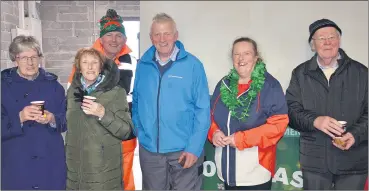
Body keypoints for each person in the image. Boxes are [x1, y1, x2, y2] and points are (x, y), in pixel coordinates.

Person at [285, 18, 368, 190]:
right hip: (315, 162)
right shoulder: (300, 74)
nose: (328, 42)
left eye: (332, 37)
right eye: (321, 38)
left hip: (353, 160)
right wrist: (315, 121)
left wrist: (355, 134)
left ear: (339, 41)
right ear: (313, 45)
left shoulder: (361, 72)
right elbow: (291, 111)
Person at [132, 13, 210, 190]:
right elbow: (136, 102)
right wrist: (140, 130)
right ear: (151, 38)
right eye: (157, 34)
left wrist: (194, 148)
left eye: (167, 33)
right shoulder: (143, 66)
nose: (162, 39)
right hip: (150, 153)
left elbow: (202, 110)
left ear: (176, 35)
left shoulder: (193, 65)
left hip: (183, 151)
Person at [66, 9, 137, 190]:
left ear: (125, 39)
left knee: (124, 182)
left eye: (119, 35)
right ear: (101, 39)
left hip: (123, 133)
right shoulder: (86, 61)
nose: (114, 40)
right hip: (91, 140)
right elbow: (71, 105)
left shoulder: (135, 62)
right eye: (109, 35)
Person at [207, 37, 289, 190]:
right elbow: (210, 116)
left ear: (256, 57)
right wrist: (214, 133)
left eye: (246, 53)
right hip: (225, 170)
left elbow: (278, 126)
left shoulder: (270, 86)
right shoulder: (223, 84)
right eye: (236, 54)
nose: (241, 58)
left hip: (255, 173)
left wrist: (241, 139)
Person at [1, 35, 66, 190]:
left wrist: (52, 119)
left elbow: (66, 121)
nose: (30, 63)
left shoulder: (55, 87)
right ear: (14, 59)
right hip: (17, 163)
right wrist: (20, 118)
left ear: (40, 59)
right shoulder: (3, 87)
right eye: (24, 57)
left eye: (34, 57)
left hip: (49, 162)